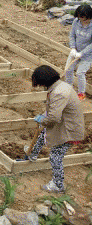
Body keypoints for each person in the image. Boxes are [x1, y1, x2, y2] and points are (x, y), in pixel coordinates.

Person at [26, 65, 84, 193]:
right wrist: (44, 116)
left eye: (40, 83)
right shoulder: (60, 86)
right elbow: (53, 110)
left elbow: (53, 118)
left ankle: (58, 185)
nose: (40, 86)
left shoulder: (59, 93)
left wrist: (43, 120)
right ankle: (33, 154)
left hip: (69, 130)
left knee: (55, 156)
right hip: (65, 122)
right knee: (43, 133)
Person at [66, 4, 92, 101]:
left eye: (85, 19)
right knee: (68, 69)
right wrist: (73, 48)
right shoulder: (76, 22)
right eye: (80, 18)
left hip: (88, 54)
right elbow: (72, 35)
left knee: (80, 73)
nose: (82, 21)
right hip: (75, 50)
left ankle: (81, 93)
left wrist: (82, 53)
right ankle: (69, 89)